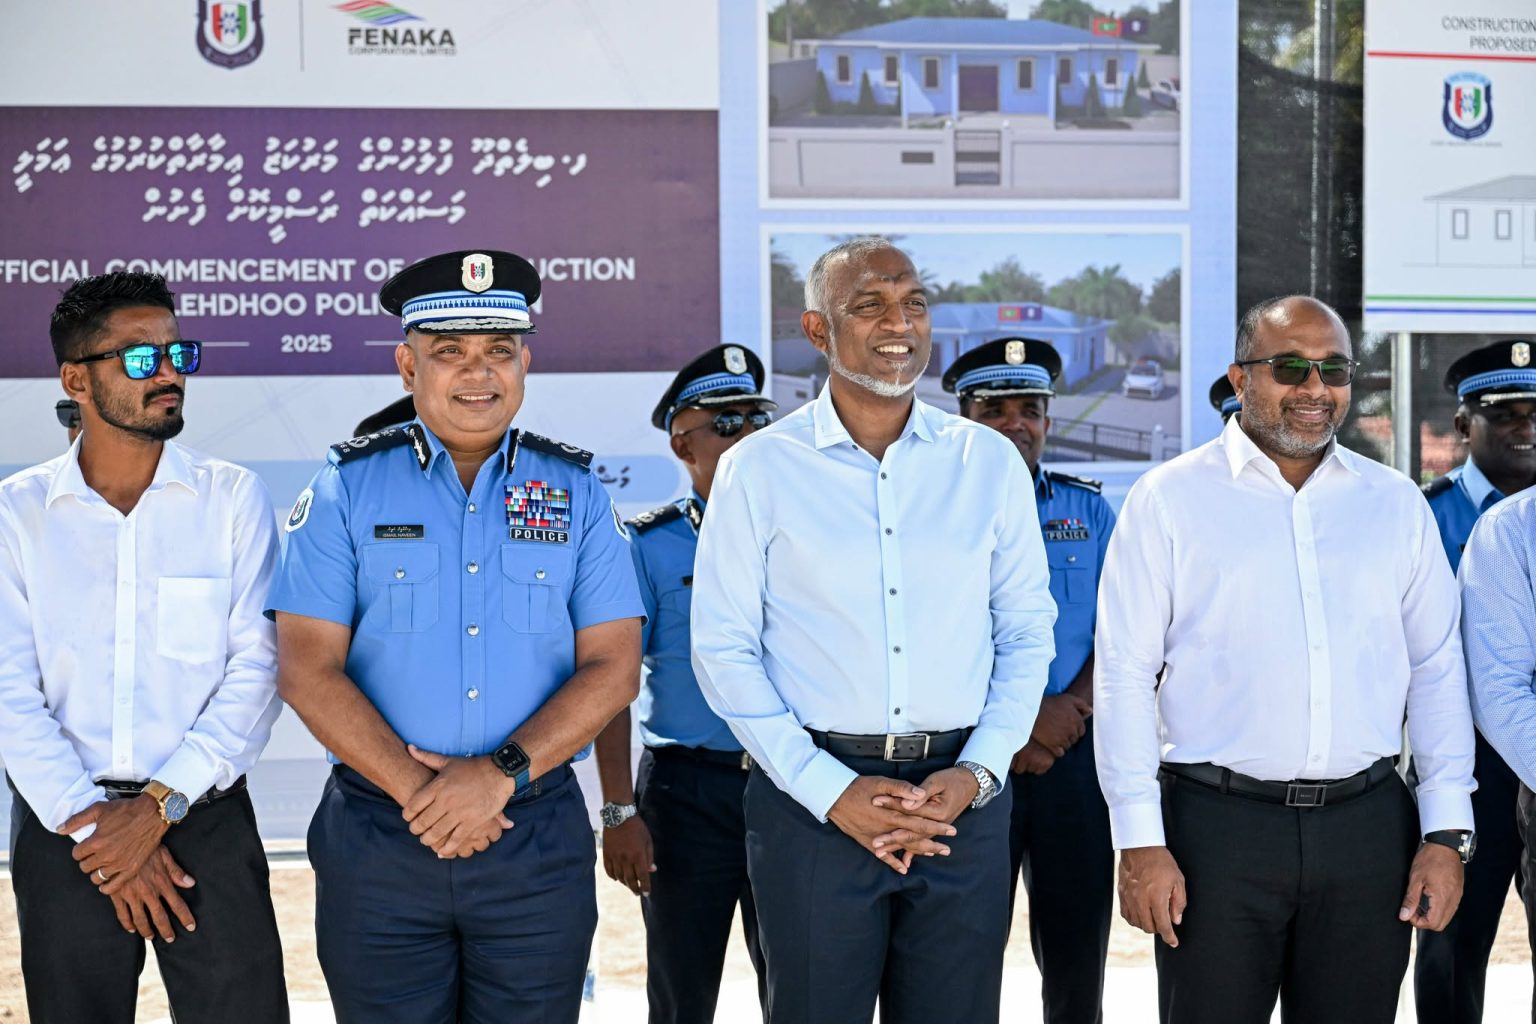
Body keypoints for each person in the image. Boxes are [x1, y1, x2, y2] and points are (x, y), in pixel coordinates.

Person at [266, 250, 644, 1024]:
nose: (479, 372)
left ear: (525, 363)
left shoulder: (575, 491)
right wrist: (428, 799)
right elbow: (307, 670)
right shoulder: (345, 489)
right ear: (408, 366)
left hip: (533, 837)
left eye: (499, 349)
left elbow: (614, 667)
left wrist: (496, 779)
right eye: (450, 351)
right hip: (381, 837)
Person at [690, 238, 1057, 1024]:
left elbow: (1027, 633)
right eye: (871, 305)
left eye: (913, 303)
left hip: (960, 803)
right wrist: (831, 791)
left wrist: (979, 772)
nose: (900, 323)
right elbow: (722, 649)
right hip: (812, 805)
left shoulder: (987, 463)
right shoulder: (760, 468)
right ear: (817, 331)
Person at [1094, 295, 1477, 1024]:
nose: (1315, 388)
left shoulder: (1394, 504)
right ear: (1241, 378)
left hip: (1367, 831)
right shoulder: (1168, 500)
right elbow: (1124, 675)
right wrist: (1140, 840)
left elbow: (1435, 669)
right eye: (1292, 367)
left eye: (1334, 370)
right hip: (1216, 833)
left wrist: (1445, 832)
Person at [0, 271, 288, 1023]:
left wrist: (158, 809)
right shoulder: (16, 514)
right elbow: (7, 691)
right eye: (139, 358)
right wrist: (99, 828)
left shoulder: (233, 498)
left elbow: (258, 670)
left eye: (177, 353)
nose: (168, 374)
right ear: (76, 380)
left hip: (206, 822)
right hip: (66, 831)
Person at [594, 343, 774, 1024]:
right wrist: (619, 811)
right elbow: (611, 684)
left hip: (792, 786)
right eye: (725, 424)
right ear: (682, 445)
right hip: (687, 795)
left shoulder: (809, 536)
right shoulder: (648, 545)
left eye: (756, 419)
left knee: (804, 987)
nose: (746, 435)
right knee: (681, 993)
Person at [941, 337, 1115, 1024]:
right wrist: (1014, 723)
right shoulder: (928, 512)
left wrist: (1070, 710)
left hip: (1070, 753)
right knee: (957, 953)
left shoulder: (1088, 511)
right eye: (996, 409)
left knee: (1076, 952)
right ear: (964, 417)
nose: (1016, 423)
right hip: (969, 758)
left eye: (1031, 409)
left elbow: (1127, 632)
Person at [1414, 339, 1536, 1023]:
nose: (1526, 427)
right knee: (1452, 944)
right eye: (1506, 413)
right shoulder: (1422, 516)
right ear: (1463, 424)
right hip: (1465, 767)